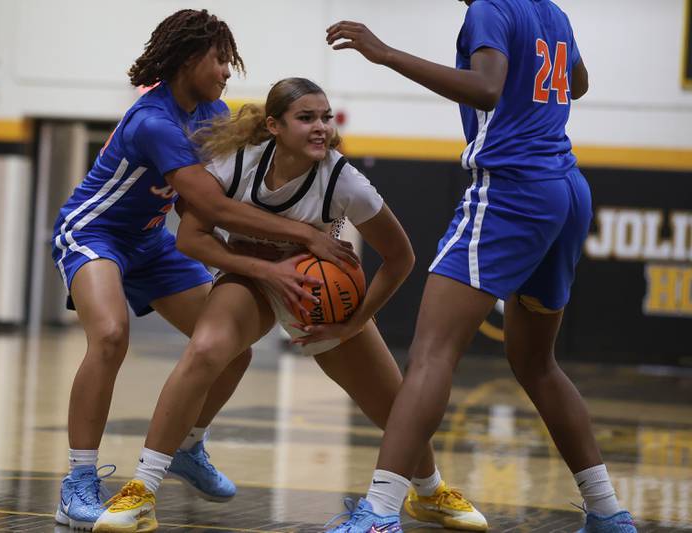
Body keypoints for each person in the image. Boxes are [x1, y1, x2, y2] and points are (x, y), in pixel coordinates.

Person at [91, 78, 488, 533]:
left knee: (394, 404)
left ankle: (429, 490)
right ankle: (142, 489)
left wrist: (352, 324)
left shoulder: (344, 180)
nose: (321, 127)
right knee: (204, 351)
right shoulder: (235, 163)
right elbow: (190, 239)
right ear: (274, 126)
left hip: (318, 295)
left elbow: (402, 258)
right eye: (306, 118)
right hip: (250, 275)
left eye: (325, 117)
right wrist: (263, 270)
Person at [323, 2, 637, 533]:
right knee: (537, 364)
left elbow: (488, 88)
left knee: (430, 355)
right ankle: (608, 512)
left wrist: (386, 54)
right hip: (566, 190)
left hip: (513, 190)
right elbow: (576, 83)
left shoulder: (491, 8)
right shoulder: (551, 11)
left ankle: (377, 516)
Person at [52, 9, 357, 531]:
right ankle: (78, 482)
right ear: (190, 58)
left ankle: (189, 445)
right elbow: (209, 207)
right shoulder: (155, 121)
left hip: (150, 241)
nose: (225, 71)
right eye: (220, 60)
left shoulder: (211, 110)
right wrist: (305, 235)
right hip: (94, 232)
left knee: (227, 344)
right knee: (109, 336)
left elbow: (209, 201)